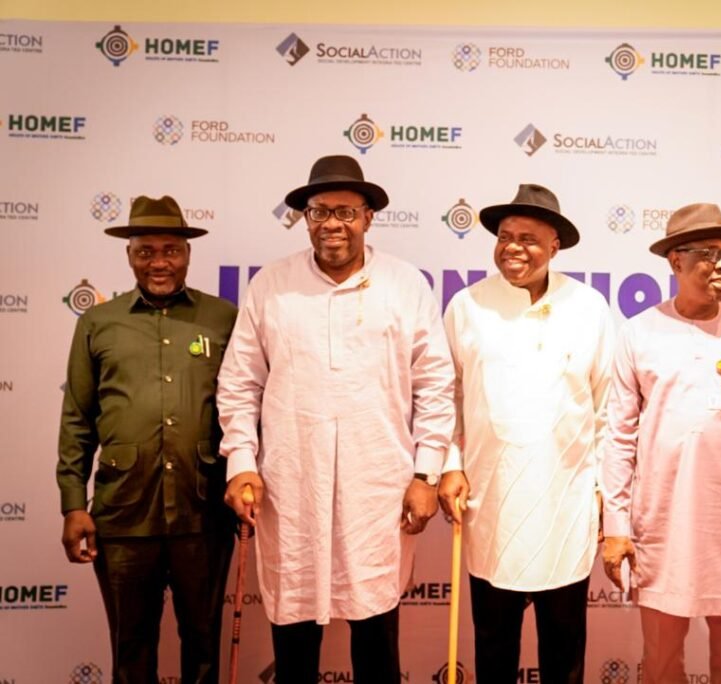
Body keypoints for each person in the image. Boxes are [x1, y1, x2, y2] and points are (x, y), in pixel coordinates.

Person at [216, 155, 455, 684]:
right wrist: (241, 462)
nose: (332, 224)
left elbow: (435, 386)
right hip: (291, 487)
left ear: (368, 217)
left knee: (376, 633)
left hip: (378, 491)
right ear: (305, 218)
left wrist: (426, 474)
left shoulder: (405, 284)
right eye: (320, 211)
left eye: (346, 212)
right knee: (295, 636)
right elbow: (239, 383)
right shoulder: (272, 286)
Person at [601, 203, 721, 684]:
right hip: (660, 525)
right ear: (676, 261)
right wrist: (615, 527)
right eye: (708, 253)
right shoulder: (638, 333)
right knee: (661, 662)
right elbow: (618, 437)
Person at [438, 183, 614, 684]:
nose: (512, 248)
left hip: (566, 505)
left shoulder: (588, 307)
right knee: (494, 648)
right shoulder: (468, 306)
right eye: (505, 237)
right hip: (492, 503)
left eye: (528, 239)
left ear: (555, 245)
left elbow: (607, 408)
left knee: (564, 651)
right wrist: (450, 464)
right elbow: (446, 397)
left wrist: (604, 492)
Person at [58, 195, 238, 684]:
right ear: (129, 255)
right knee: (130, 650)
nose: (159, 262)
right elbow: (77, 419)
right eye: (146, 251)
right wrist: (73, 504)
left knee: (203, 644)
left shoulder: (223, 318)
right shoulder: (97, 323)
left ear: (188, 254)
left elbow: (246, 407)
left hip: (204, 512)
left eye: (171, 250)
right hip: (122, 514)